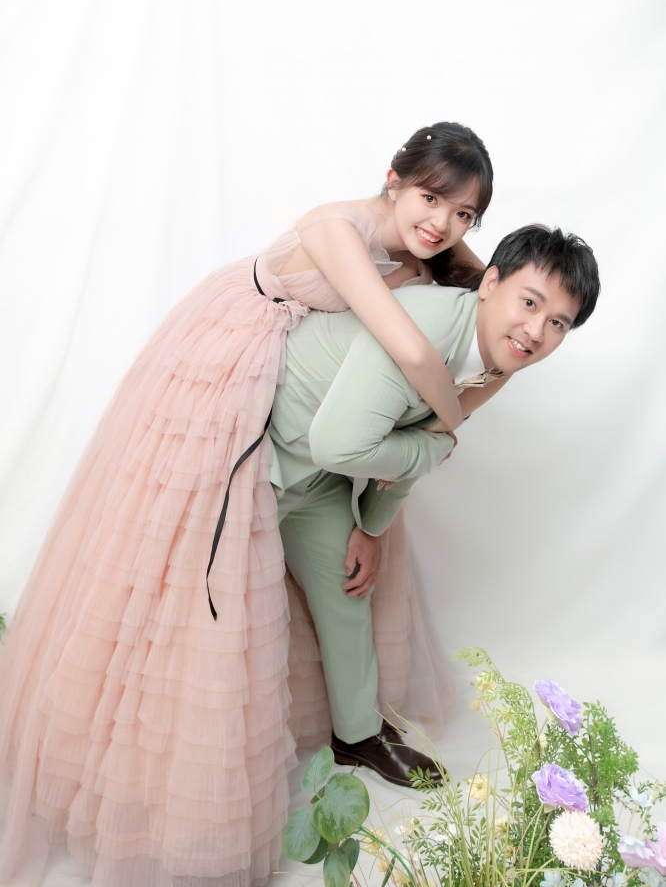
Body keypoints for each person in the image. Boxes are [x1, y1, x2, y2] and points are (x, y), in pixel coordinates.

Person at [0, 122, 495, 886]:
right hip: (230, 381)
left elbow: (501, 301)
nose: (443, 224)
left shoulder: (434, 251)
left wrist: (503, 339)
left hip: (309, 408)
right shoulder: (336, 228)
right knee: (189, 584)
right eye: (432, 199)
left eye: (464, 215)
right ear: (393, 178)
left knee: (341, 584)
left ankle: (359, 730)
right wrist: (455, 419)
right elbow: (408, 348)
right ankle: (148, 767)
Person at [272, 224, 600, 789]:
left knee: (348, 590)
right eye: (529, 303)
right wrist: (434, 450)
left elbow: (418, 438)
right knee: (213, 620)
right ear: (490, 283)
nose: (535, 331)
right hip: (252, 461)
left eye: (558, 324)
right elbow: (348, 445)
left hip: (318, 483)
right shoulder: (425, 322)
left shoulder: (494, 366)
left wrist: (372, 528)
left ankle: (357, 737)